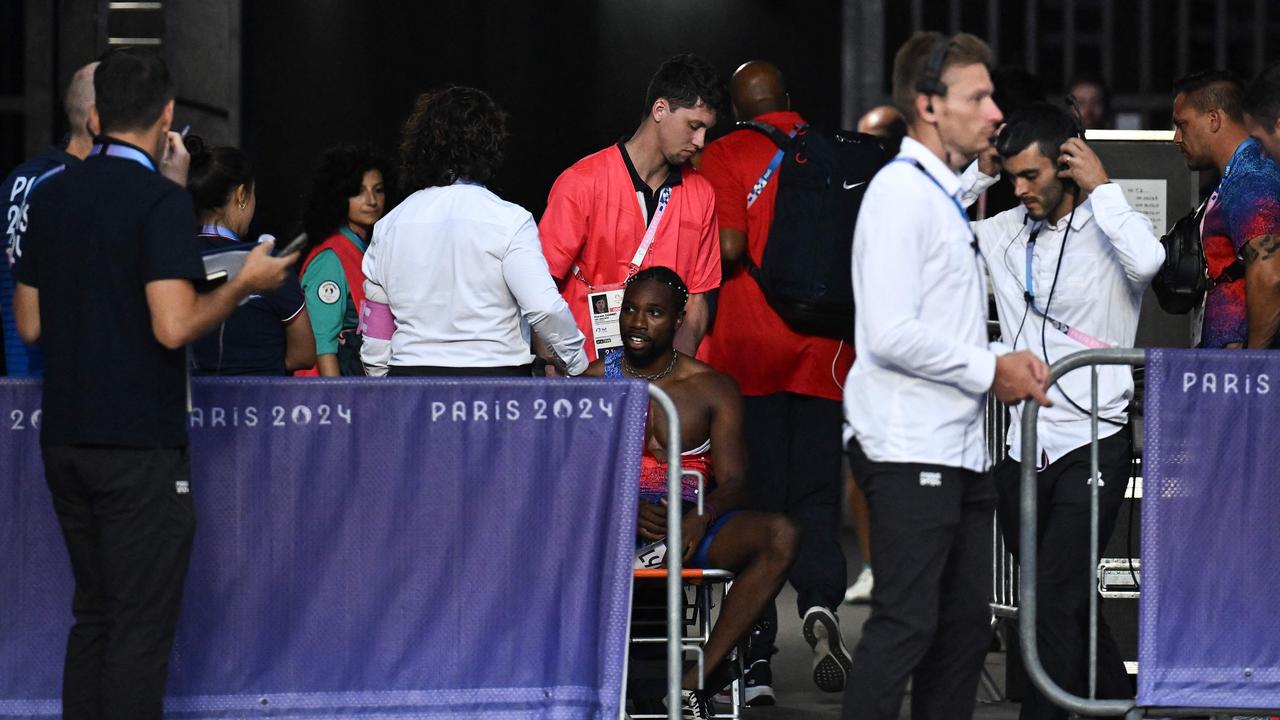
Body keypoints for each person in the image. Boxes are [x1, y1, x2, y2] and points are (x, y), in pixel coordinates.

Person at [11, 48, 297, 720]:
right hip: (138, 446)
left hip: (65, 440)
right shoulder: (161, 205)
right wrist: (244, 286)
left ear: (97, 116)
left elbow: (29, 323)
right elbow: (173, 327)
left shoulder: (53, 193)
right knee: (140, 629)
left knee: (95, 616)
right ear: (168, 116)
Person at [841, 32, 1051, 720]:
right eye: (978, 97)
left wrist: (987, 174)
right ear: (929, 106)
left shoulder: (933, 192)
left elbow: (952, 192)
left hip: (955, 451)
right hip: (909, 450)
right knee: (906, 626)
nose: (995, 111)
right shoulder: (899, 195)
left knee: (963, 632)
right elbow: (890, 333)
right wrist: (992, 369)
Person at [960, 102, 1164, 720]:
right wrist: (978, 172)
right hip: (1024, 449)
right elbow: (926, 232)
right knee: (1067, 600)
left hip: (1093, 442)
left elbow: (1151, 262)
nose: (1019, 190)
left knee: (1051, 600)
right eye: (1011, 176)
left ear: (1068, 167)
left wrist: (1104, 187)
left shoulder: (1108, 229)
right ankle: (1123, 708)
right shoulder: (1002, 232)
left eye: (1032, 177)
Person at [695, 60, 854, 702]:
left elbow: (731, 247)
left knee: (753, 505)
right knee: (815, 499)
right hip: (825, 354)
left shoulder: (726, 152)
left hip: (749, 354)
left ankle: (754, 660)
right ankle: (820, 604)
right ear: (789, 100)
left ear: (737, 109)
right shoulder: (832, 151)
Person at [584, 266, 797, 720]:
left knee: (779, 535)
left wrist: (703, 514)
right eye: (631, 311)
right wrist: (623, 507)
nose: (638, 323)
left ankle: (695, 681)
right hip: (615, 525)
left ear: (679, 319)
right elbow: (574, 475)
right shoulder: (596, 377)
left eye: (655, 313)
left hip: (690, 521)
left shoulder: (711, 386)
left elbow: (737, 479)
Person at [359, 86, 587, 377]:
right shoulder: (510, 221)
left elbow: (377, 333)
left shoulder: (389, 225)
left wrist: (384, 384)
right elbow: (545, 309)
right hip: (496, 384)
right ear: (491, 145)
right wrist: (577, 363)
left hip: (412, 382)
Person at [539, 53, 722, 362]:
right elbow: (540, 284)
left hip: (663, 378)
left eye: (706, 130)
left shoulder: (702, 194)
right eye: (694, 126)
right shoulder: (582, 182)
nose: (701, 141)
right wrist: (555, 360)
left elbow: (698, 298)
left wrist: (674, 376)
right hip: (586, 370)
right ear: (660, 109)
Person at [1, 61, 98, 377]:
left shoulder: (17, 178)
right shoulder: (79, 187)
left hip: (16, 376)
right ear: (98, 118)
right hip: (67, 380)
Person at [1172, 70, 1280, 349]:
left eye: (1182, 125)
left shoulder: (1250, 179)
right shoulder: (1237, 178)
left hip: (1245, 378)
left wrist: (1253, 368)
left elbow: (1270, 275)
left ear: (1213, 119)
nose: (1177, 138)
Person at [187, 143, 315, 375]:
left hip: (194, 405)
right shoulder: (268, 264)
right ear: (242, 195)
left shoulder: (172, 259)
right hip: (260, 403)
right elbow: (304, 354)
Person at [296, 143, 389, 375]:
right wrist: (337, 403)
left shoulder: (368, 250)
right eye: (358, 191)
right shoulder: (331, 257)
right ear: (338, 196)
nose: (371, 200)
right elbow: (323, 343)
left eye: (378, 190)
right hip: (331, 394)